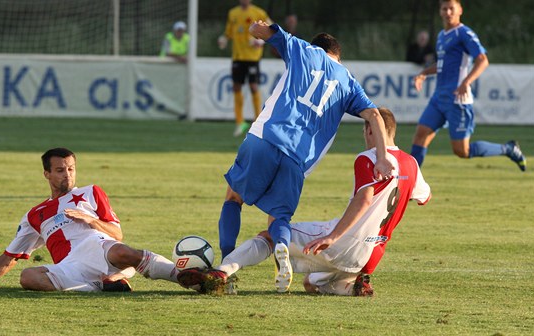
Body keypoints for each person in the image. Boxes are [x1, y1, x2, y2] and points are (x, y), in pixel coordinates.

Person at [215, 20, 395, 293]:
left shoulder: (302, 49)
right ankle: (283, 248)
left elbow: (260, 31)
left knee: (233, 197)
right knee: (278, 220)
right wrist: (382, 157)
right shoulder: (348, 82)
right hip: (297, 160)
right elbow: (374, 115)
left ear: (316, 48)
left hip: (266, 138)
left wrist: (258, 28)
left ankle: (225, 265)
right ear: (338, 56)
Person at [178, 108, 431, 296]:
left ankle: (222, 271)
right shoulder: (412, 164)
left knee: (268, 236)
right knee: (311, 283)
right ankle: (354, 285)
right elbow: (424, 197)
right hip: (369, 256)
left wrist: (333, 236)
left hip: (344, 242)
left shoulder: (368, 158)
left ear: (370, 130)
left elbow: (364, 199)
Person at [0, 148, 180, 292]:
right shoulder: (34, 215)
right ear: (46, 174)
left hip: (97, 247)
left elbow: (117, 234)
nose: (67, 175)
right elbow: (9, 258)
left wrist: (91, 220)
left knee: (123, 251)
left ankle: (186, 277)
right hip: (70, 266)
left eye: (71, 169)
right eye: (60, 170)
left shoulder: (91, 192)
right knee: (28, 277)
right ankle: (100, 285)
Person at [411, 0, 526, 171]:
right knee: (420, 136)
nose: (448, 12)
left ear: (460, 10)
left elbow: (482, 60)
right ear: (440, 12)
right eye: (445, 9)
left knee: (461, 151)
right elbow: (443, 64)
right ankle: (410, 184)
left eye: (452, 8)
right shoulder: (442, 36)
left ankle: (508, 149)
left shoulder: (464, 33)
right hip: (439, 97)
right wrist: (423, 73)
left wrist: (466, 82)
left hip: (457, 99)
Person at [218, 0, 272, 137]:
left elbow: (272, 28)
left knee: (253, 86)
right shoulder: (233, 13)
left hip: (252, 57)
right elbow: (229, 32)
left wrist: (260, 41)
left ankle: (257, 121)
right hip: (238, 56)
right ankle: (239, 122)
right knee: (237, 87)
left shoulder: (259, 12)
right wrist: (224, 39)